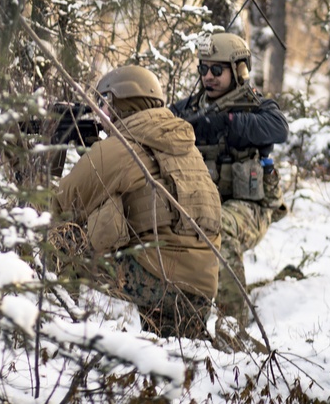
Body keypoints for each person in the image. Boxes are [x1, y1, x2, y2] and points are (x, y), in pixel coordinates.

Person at [51, 65, 222, 339]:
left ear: (123, 101)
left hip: (158, 278)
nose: (102, 114)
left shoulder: (122, 147)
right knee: (178, 354)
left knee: (59, 244)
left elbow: (63, 205)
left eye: (106, 104)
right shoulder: (186, 147)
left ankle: (57, 332)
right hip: (202, 285)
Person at [170, 32, 289, 330]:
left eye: (217, 70)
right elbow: (156, 121)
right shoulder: (189, 108)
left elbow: (279, 128)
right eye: (203, 69)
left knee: (218, 228)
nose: (208, 77)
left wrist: (229, 122)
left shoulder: (257, 106)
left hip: (253, 207)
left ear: (238, 71)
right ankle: (179, 330)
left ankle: (233, 330)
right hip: (204, 205)